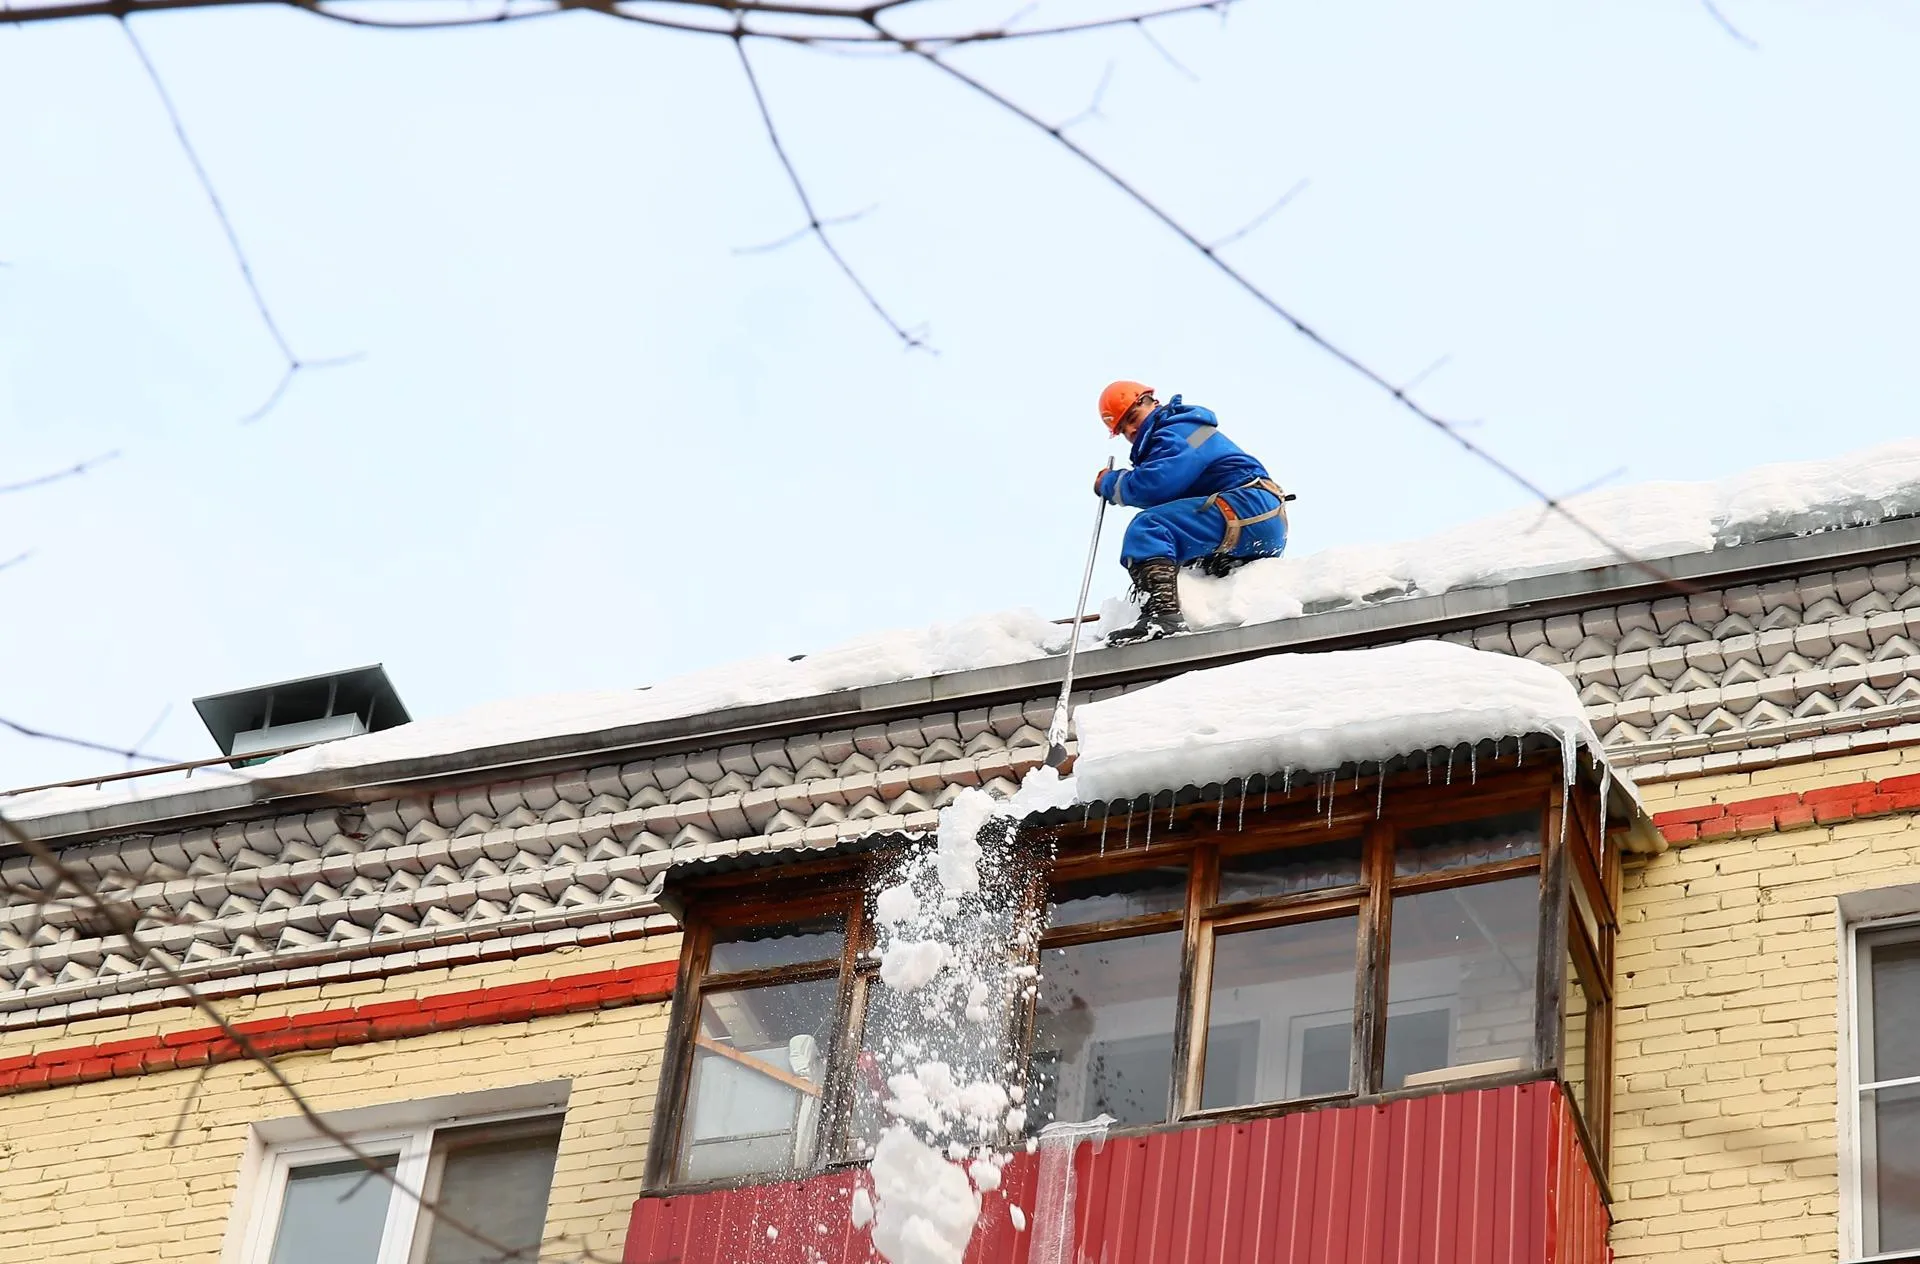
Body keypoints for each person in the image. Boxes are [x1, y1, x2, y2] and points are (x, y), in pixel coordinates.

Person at [1093, 380, 1289, 646]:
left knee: (1149, 528)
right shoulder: (1175, 437)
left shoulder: (1182, 431)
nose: (1130, 429)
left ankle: (1162, 617)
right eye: (1123, 429)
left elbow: (1154, 485)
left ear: (1150, 402)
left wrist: (1110, 484)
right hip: (1255, 517)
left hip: (1248, 504)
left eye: (1132, 417)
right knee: (1184, 562)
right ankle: (1204, 607)